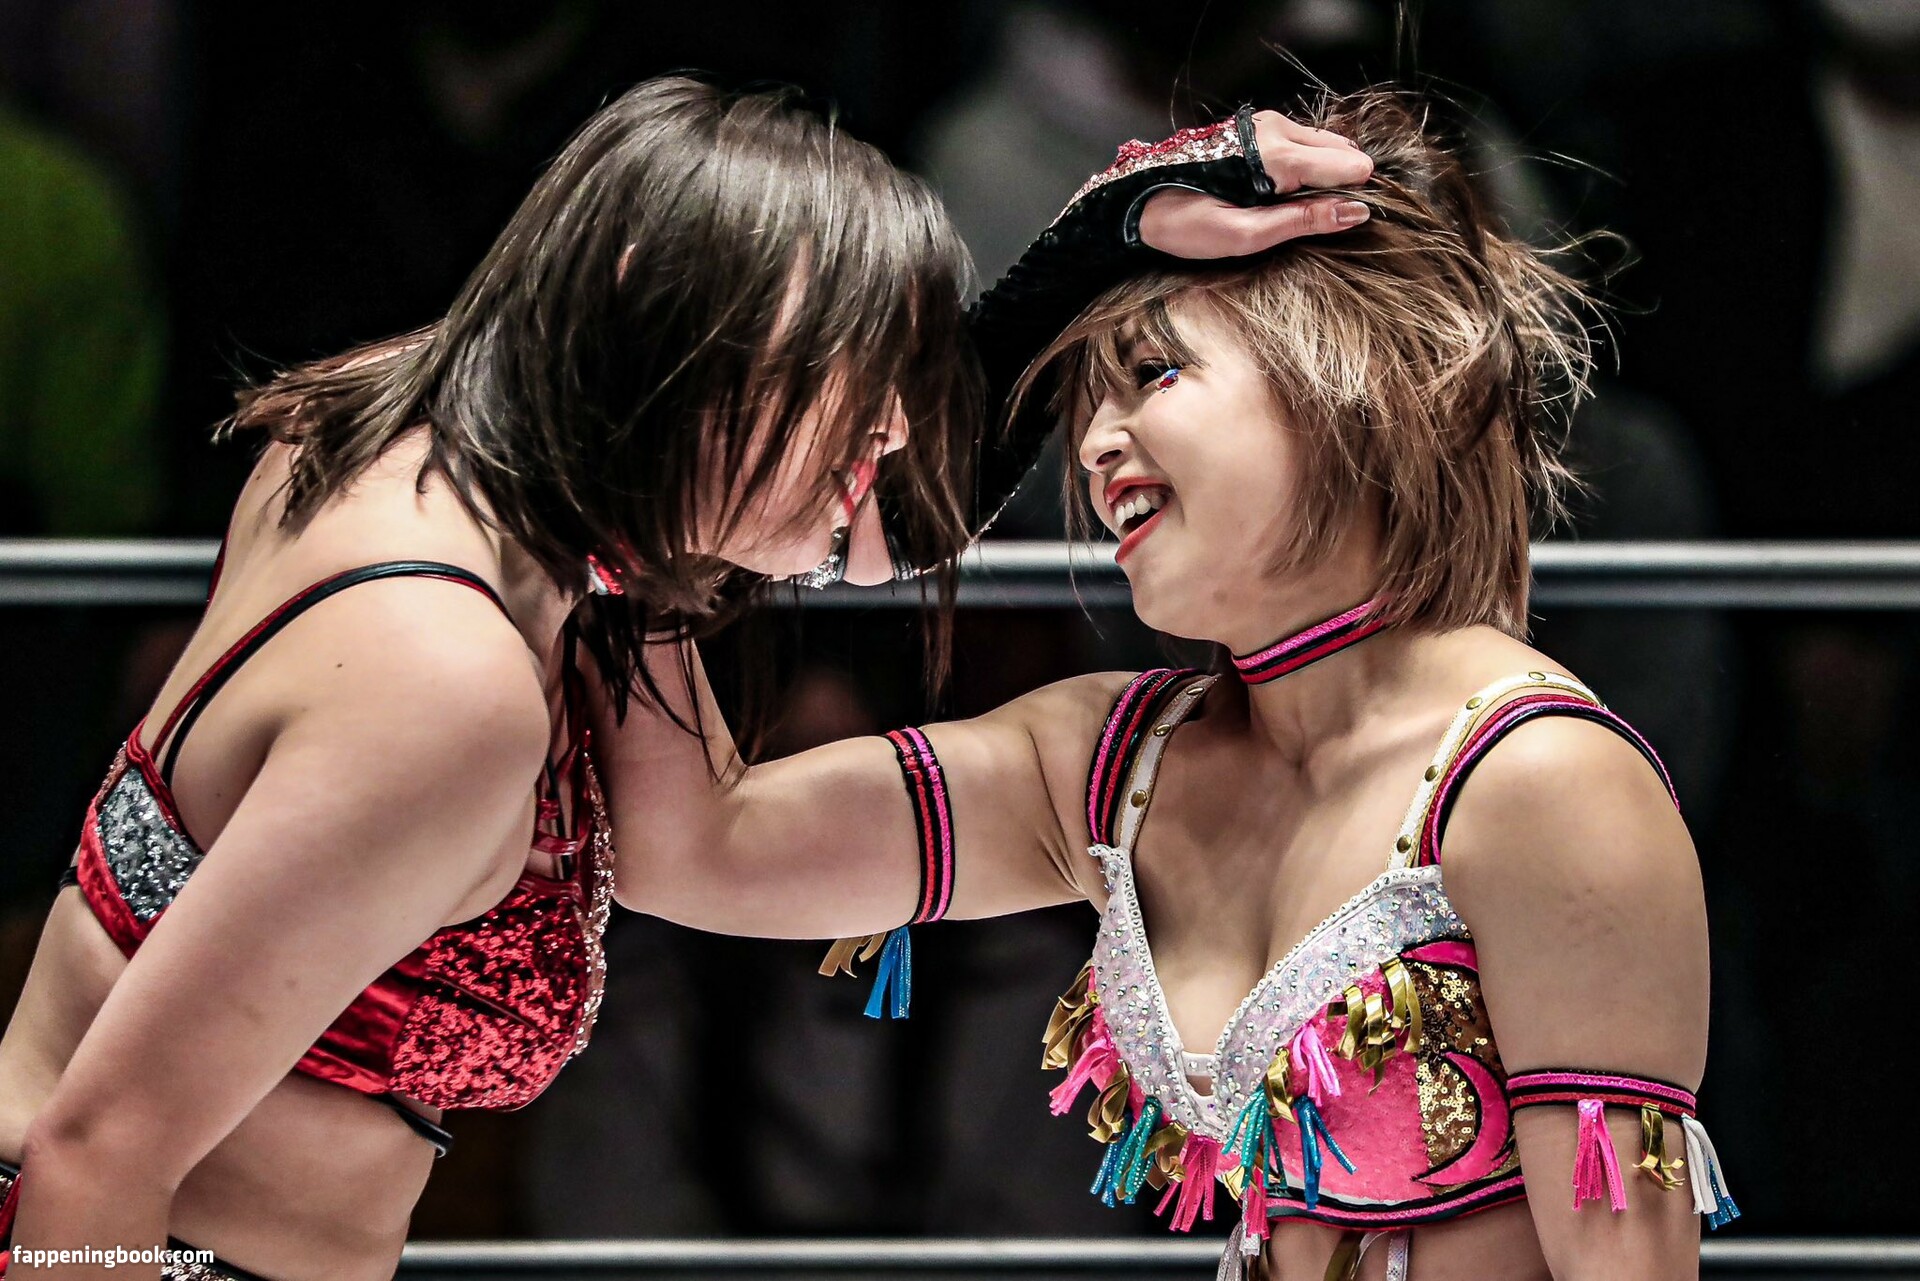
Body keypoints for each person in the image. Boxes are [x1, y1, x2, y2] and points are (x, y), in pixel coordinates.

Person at [0, 70, 1371, 1277]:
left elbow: (881, 531)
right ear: (673, 334)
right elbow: (95, 1153)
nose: (894, 431)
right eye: (857, 379)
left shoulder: (422, 446)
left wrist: (1101, 238)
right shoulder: (447, 678)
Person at [607, 88, 1732, 1280]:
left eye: (1152, 374)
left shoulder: (1544, 784)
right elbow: (696, 848)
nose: (1094, 446)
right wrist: (624, 487)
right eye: (1088, 401)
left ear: (1351, 377)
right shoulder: (1113, 765)